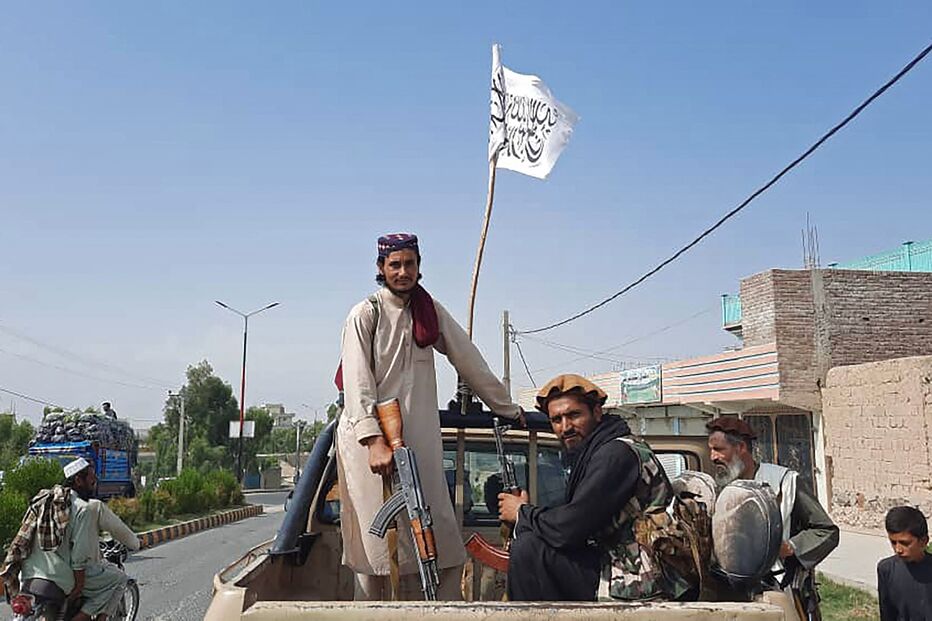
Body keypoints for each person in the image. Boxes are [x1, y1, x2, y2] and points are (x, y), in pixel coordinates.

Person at [337, 232, 524, 601]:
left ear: (419, 267)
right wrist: (374, 440)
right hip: (370, 447)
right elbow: (357, 386)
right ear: (381, 268)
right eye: (395, 264)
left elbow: (467, 358)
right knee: (374, 554)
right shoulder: (365, 314)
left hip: (419, 444)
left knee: (439, 538)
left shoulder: (428, 311)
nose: (403, 271)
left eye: (410, 264)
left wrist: (506, 407)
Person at [499, 374, 695, 602]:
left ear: (597, 413)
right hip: (620, 562)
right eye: (557, 420)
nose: (565, 427)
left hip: (647, 577)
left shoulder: (616, 454)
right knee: (533, 543)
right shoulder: (594, 453)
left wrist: (522, 513)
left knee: (529, 549)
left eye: (574, 415)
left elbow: (570, 528)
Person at [2, 458, 140, 620]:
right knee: (119, 579)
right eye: (91, 477)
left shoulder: (43, 500)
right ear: (78, 480)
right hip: (61, 578)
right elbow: (79, 558)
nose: (94, 481)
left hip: (29, 575)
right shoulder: (83, 508)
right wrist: (78, 587)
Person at [878, 506, 932, 620]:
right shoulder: (886, 569)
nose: (898, 549)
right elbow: (887, 613)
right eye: (893, 542)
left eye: (905, 543)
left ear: (924, 541)